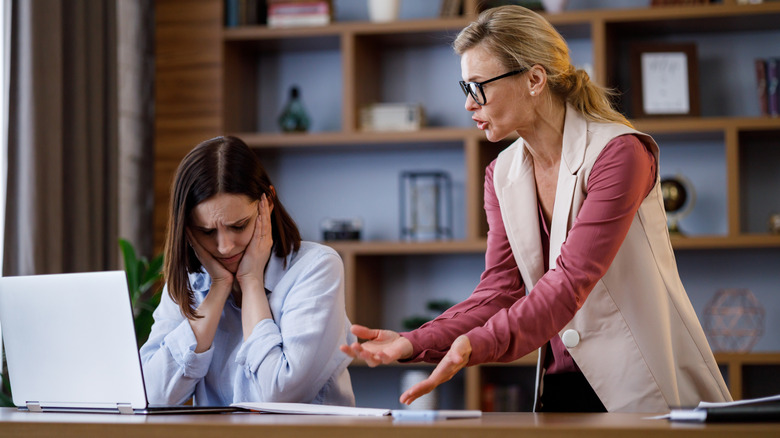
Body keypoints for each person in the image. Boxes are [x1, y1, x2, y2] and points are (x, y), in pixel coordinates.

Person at [341, 5, 731, 413]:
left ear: (534, 79)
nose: (469, 104)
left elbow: (569, 282)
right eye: (465, 88)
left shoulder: (619, 154)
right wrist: (414, 341)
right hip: (558, 387)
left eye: (478, 86)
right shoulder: (501, 173)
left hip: (643, 386)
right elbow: (498, 292)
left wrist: (476, 344)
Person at [141, 135, 355, 407]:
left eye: (239, 226)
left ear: (268, 202)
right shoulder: (190, 281)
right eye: (207, 232)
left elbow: (278, 394)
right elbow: (152, 397)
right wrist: (218, 288)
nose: (225, 247)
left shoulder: (316, 268)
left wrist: (251, 281)